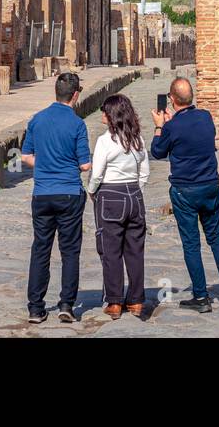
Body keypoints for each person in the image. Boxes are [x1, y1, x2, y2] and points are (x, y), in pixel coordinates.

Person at [150, 76, 219, 311]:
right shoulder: (205, 117)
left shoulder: (171, 127)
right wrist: (173, 123)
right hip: (210, 186)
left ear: (171, 99)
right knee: (216, 238)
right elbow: (194, 132)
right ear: (191, 97)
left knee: (191, 244)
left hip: (185, 191)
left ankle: (201, 297)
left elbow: (158, 152)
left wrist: (160, 126)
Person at [22, 72, 92, 323]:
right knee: (70, 251)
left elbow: (25, 156)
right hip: (69, 193)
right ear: (75, 95)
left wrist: (46, 164)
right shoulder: (77, 124)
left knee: (40, 249)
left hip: (42, 194)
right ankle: (66, 305)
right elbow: (84, 165)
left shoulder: (37, 120)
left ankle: (35, 308)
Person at [87, 94, 149, 319]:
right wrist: (134, 190)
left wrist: (92, 191)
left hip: (110, 194)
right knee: (135, 250)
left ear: (112, 115)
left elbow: (97, 172)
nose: (101, 115)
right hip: (134, 194)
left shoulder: (105, 141)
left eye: (104, 111)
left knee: (111, 250)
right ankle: (135, 301)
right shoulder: (137, 139)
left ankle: (114, 301)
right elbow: (145, 173)